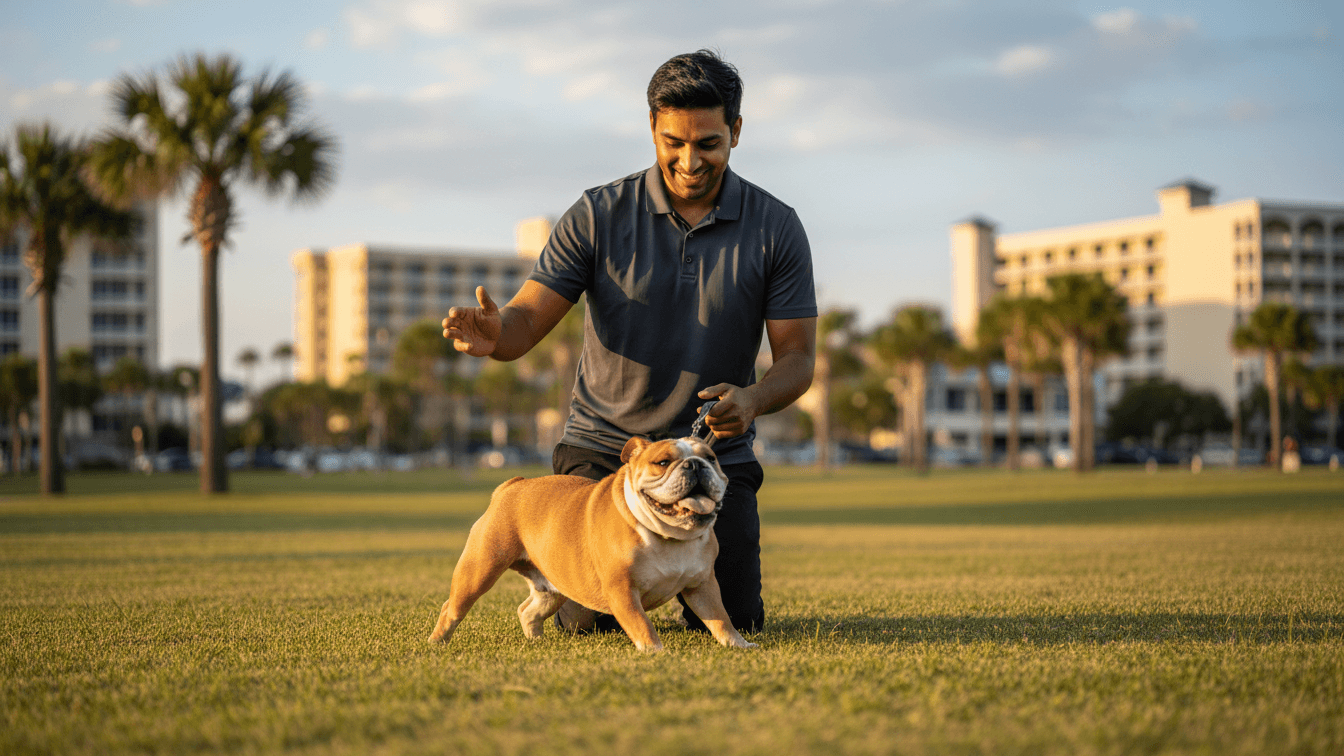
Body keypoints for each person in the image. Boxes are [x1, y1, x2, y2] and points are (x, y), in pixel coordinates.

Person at [442, 49, 817, 634]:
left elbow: (797, 361)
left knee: (736, 617)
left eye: (708, 144)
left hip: (709, 457)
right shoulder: (597, 214)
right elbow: (522, 324)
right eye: (673, 142)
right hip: (602, 454)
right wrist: (496, 335)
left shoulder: (776, 227)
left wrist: (752, 400)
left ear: (736, 132)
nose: (689, 160)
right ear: (652, 127)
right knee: (594, 621)